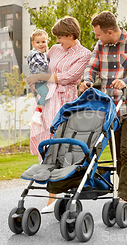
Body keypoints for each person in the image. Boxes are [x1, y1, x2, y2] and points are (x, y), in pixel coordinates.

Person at [79, 11, 127, 209]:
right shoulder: (100, 46)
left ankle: (123, 199)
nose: (96, 38)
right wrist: (86, 80)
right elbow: (91, 68)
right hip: (111, 109)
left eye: (98, 34)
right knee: (118, 156)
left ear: (110, 32)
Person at [27, 17, 91, 213]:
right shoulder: (54, 50)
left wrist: (42, 77)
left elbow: (68, 77)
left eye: (60, 37)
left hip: (65, 101)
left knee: (62, 145)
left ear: (70, 35)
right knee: (46, 142)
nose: (57, 41)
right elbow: (41, 65)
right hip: (47, 100)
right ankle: (51, 196)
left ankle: (62, 195)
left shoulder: (84, 54)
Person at [26, 29, 50, 127]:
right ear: (33, 44)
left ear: (47, 42)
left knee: (45, 96)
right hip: (39, 81)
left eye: (43, 42)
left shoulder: (44, 55)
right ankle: (36, 115)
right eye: (38, 42)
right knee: (46, 93)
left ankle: (39, 115)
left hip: (40, 80)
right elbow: (43, 67)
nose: (41, 44)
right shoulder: (35, 54)